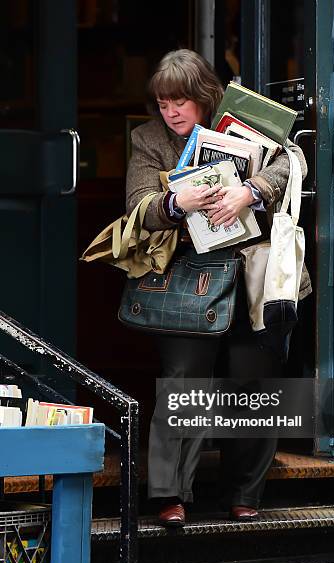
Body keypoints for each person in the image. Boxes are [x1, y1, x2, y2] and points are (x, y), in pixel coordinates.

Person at [126, 49, 310, 527]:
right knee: (182, 380)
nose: (171, 112)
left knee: (254, 379)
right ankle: (170, 495)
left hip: (253, 273)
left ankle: (244, 492)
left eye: (181, 102)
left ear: (205, 97)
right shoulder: (148, 140)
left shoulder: (243, 120)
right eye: (164, 103)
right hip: (187, 275)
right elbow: (138, 208)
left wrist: (250, 191)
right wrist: (174, 201)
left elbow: (291, 162)